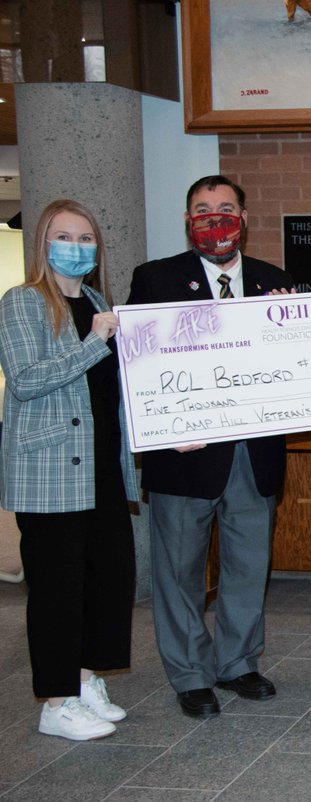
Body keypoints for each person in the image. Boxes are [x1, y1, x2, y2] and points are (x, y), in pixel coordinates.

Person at [127, 175, 294, 719]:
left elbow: (294, 366)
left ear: (244, 218)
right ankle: (190, 673)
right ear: (187, 219)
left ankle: (238, 662)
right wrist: (160, 424)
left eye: (225, 208)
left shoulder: (274, 281)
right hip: (183, 453)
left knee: (249, 564)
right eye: (202, 209)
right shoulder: (155, 279)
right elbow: (137, 365)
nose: (214, 218)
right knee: (179, 571)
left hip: (253, 451)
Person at [0, 200, 136, 740]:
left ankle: (84, 682)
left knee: (107, 580)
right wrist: (93, 343)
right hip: (50, 471)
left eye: (85, 239)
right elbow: (27, 378)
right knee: (57, 589)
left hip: (102, 468)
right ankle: (55, 701)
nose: (76, 247)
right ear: (43, 243)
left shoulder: (98, 301)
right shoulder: (24, 302)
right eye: (64, 236)